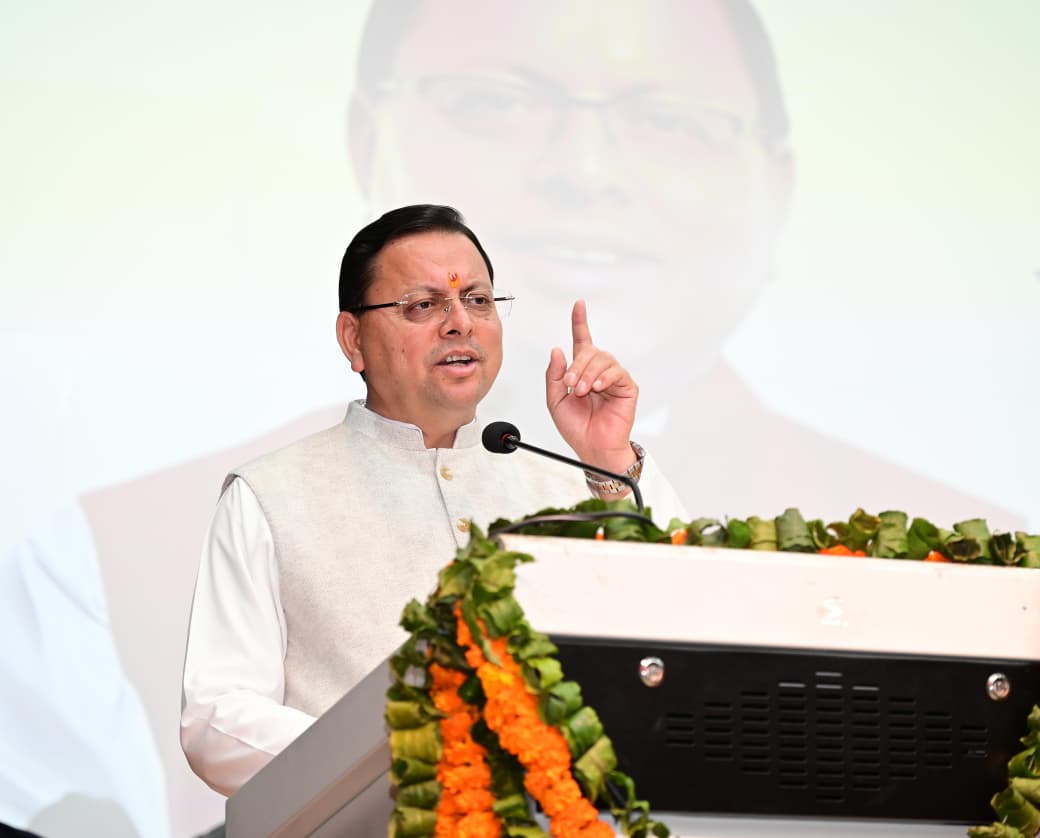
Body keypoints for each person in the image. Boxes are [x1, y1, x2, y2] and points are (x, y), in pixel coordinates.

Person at [179, 204, 688, 796]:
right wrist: (409, 754)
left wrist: (609, 458)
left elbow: (688, 624)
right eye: (424, 305)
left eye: (477, 300)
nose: (459, 323)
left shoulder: (571, 483)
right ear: (353, 339)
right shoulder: (271, 495)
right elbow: (217, 718)